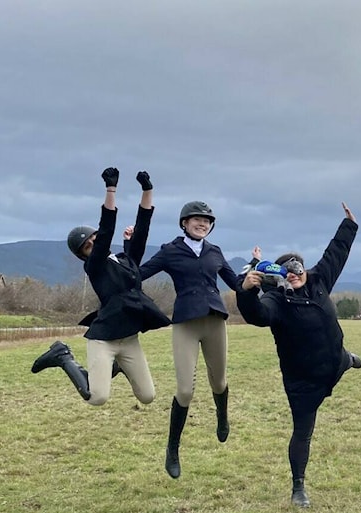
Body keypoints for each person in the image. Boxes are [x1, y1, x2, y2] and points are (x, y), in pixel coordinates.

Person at [236, 203, 361, 508]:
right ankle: (298, 488)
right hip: (302, 377)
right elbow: (257, 316)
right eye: (286, 270)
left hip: (332, 359)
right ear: (277, 278)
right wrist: (246, 291)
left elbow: (336, 254)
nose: (293, 273)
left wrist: (349, 225)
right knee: (303, 432)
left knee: (342, 358)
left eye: (297, 266)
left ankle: (347, 359)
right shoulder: (275, 300)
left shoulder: (319, 280)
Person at [31, 168, 169, 406]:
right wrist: (111, 190)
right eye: (88, 246)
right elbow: (106, 230)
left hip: (129, 339)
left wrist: (147, 190)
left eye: (94, 240)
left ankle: (115, 366)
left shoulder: (127, 260)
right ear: (83, 255)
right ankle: (63, 356)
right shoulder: (94, 267)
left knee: (147, 396)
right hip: (104, 340)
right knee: (97, 397)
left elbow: (143, 226)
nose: (94, 245)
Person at [139, 199, 242, 478]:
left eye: (207, 221)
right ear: (184, 223)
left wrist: (257, 275)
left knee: (219, 381)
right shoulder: (170, 251)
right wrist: (127, 249)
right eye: (197, 219)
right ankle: (173, 449)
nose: (202, 224)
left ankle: (222, 416)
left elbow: (237, 285)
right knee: (185, 390)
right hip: (186, 323)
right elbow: (138, 274)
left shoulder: (215, 252)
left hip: (215, 322)